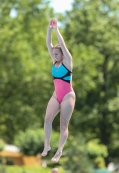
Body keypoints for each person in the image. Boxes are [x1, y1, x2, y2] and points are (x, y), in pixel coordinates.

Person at [41, 18, 76, 162]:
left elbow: (62, 44)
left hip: (68, 96)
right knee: (47, 119)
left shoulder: (67, 61)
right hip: (56, 95)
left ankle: (60, 150)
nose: (54, 55)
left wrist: (57, 30)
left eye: (57, 53)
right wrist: (49, 28)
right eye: (53, 53)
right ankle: (47, 145)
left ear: (62, 54)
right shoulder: (54, 62)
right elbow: (48, 44)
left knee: (63, 124)